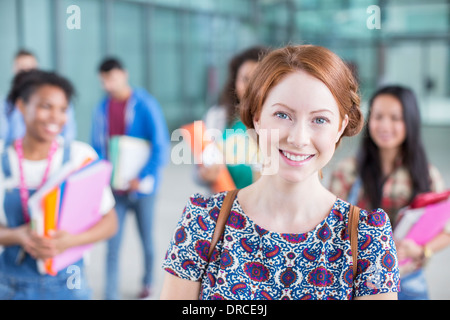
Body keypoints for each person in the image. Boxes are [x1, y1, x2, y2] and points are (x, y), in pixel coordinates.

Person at [160, 45, 400, 300]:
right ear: (257, 117)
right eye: (282, 115)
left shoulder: (367, 236)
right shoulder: (202, 222)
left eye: (319, 119)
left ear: (340, 126)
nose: (298, 139)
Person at [0, 69, 117, 299]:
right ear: (23, 106)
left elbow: (110, 222)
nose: (56, 116)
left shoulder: (80, 158)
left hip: (71, 284)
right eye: (46, 106)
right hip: (10, 286)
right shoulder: (3, 160)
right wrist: (18, 235)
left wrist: (71, 241)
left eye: (63, 109)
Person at [329, 85, 449, 300]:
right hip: (359, 285)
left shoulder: (426, 175)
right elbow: (328, 224)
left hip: (409, 284)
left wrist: (422, 250)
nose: (385, 125)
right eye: (378, 116)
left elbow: (447, 229)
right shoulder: (348, 171)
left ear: (410, 122)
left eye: (395, 118)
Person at [91, 57, 170, 300]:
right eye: (104, 80)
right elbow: (97, 146)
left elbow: (161, 146)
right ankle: (110, 294)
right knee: (112, 243)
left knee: (146, 239)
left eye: (112, 78)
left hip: (143, 189)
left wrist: (143, 175)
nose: (108, 84)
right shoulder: (102, 108)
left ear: (124, 74)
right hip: (116, 189)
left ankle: (147, 285)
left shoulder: (145, 104)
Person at [197, 46, 268, 191]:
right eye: (245, 79)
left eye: (258, 80)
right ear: (235, 81)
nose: (250, 87)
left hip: (264, 207)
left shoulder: (279, 119)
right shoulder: (216, 117)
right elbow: (197, 171)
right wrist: (204, 174)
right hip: (224, 206)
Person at [1, 49, 77, 146]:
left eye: (30, 68)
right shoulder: (5, 103)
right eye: (22, 69)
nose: (26, 73)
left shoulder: (59, 98)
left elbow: (68, 133)